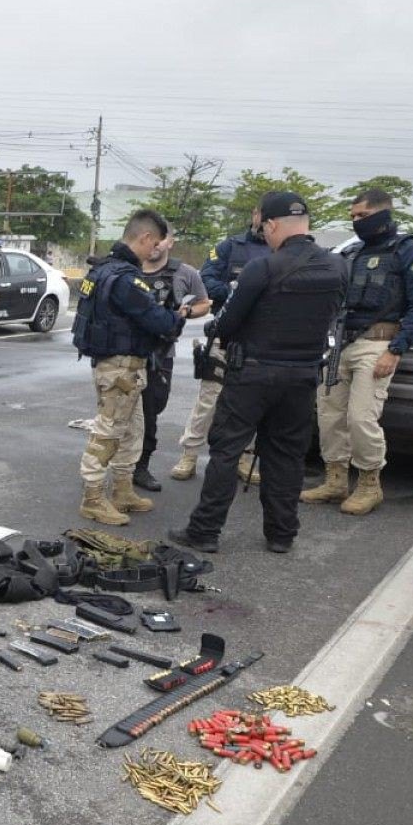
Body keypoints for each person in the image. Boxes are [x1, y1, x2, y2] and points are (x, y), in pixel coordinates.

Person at [168, 192, 344, 555]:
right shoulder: (338, 267)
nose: (264, 235)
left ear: (272, 224)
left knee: (226, 451)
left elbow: (228, 324)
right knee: (287, 456)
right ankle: (282, 534)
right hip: (302, 377)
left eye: (265, 228)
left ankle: (205, 531)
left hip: (253, 373)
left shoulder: (263, 267)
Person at [299, 188, 413, 515]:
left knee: (361, 417)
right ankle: (335, 481)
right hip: (339, 345)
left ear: (382, 214)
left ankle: (369, 485)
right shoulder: (352, 253)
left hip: (378, 344)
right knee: (329, 414)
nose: (356, 221)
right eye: (353, 217)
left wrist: (396, 350)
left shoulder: (409, 251)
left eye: (362, 215)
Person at [73, 209, 210, 525]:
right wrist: (178, 315)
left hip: (124, 366)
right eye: (156, 244)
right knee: (108, 432)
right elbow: (160, 321)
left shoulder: (104, 270)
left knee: (133, 430)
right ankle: (92, 498)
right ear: (146, 237)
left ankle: (122, 490)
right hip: (120, 367)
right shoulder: (126, 279)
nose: (156, 252)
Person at [170, 207, 270, 482]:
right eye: (260, 214)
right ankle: (189, 454)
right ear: (254, 214)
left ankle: (245, 456)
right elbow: (207, 279)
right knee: (209, 399)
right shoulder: (229, 247)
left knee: (252, 402)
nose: (262, 220)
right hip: (226, 335)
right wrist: (239, 292)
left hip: (262, 339)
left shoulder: (280, 251)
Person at [133, 232, 210, 492]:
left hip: (161, 354)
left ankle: (140, 465)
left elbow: (204, 304)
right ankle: (130, 467)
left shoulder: (184, 272)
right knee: (121, 413)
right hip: (127, 353)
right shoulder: (128, 267)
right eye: (150, 238)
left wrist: (185, 312)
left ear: (170, 242)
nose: (155, 245)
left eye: (161, 239)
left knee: (153, 408)